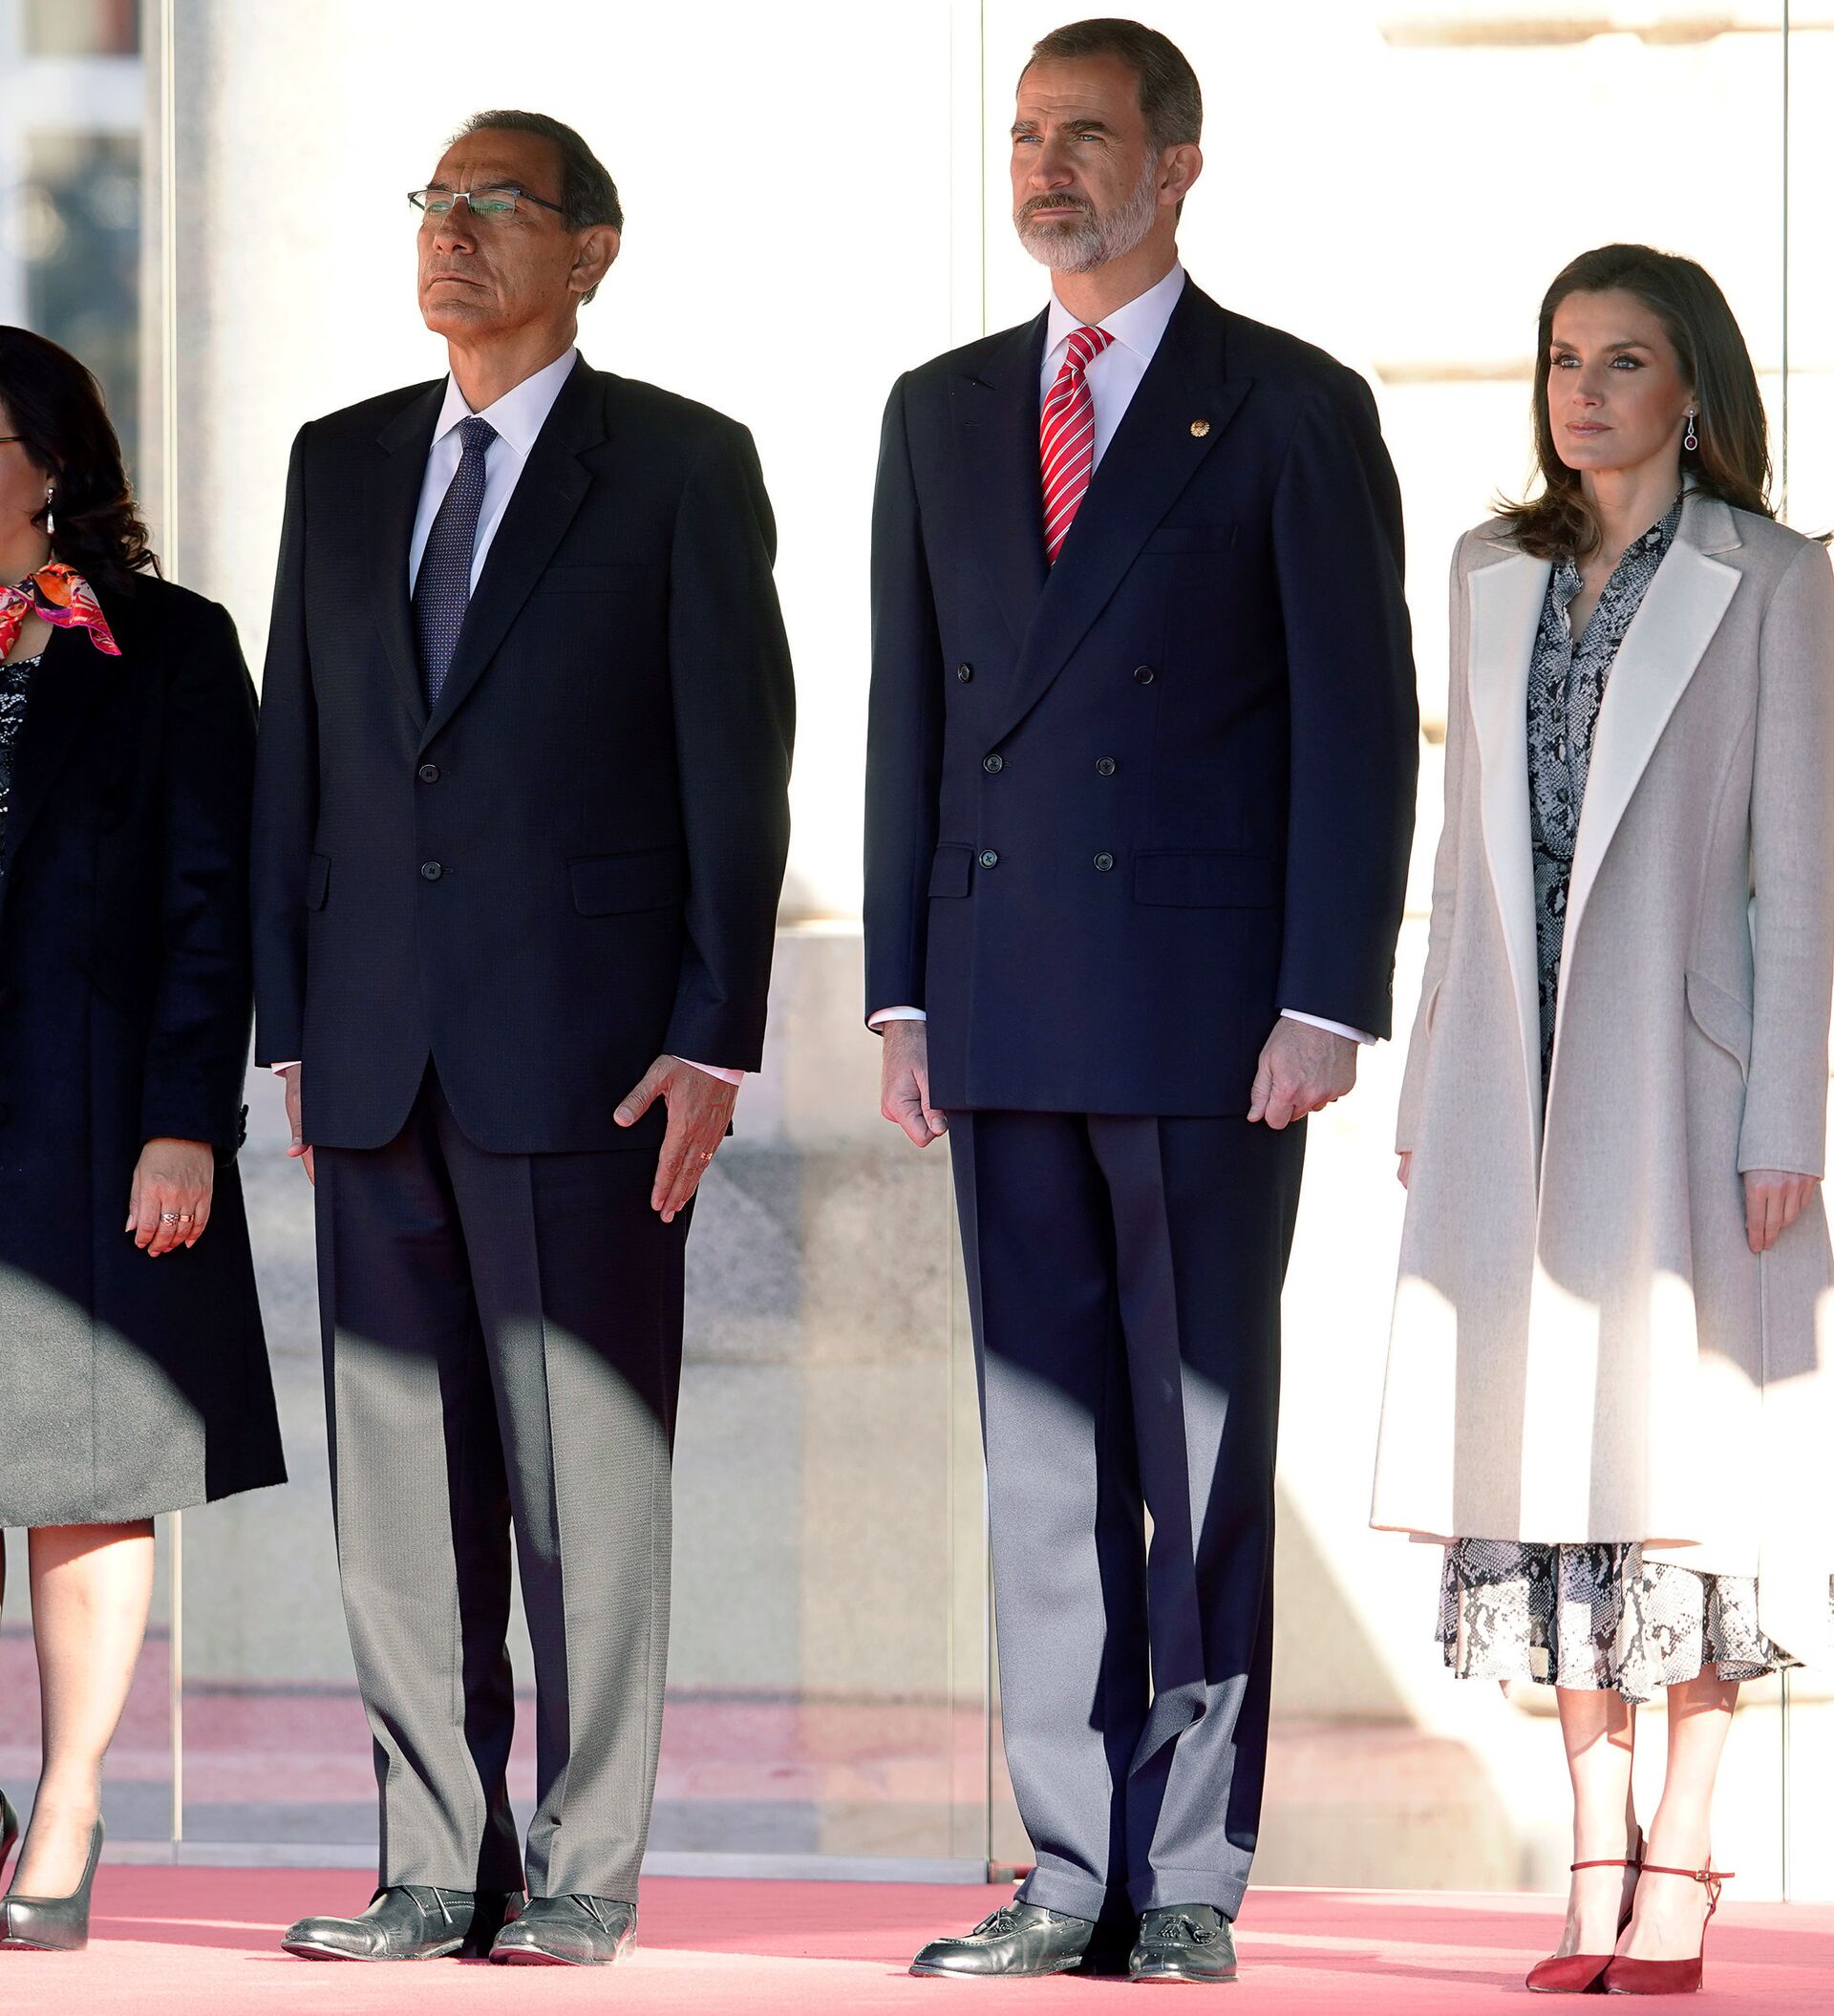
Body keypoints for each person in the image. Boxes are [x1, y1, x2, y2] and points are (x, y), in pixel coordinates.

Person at [865, 19, 1417, 1985]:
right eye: (1026, 133)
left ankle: (1186, 1875)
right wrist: (903, 995)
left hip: (1208, 1022)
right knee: (1039, 1463)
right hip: (1002, 1001)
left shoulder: (1289, 405)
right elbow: (912, 716)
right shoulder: (938, 409)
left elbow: (1357, 723)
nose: (1045, 166)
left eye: (1085, 134)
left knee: (1195, 1455)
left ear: (1178, 163)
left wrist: (1325, 995)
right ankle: (1065, 1868)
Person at [252, 112, 794, 1967]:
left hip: (591, 1055)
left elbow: (738, 764)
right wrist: (293, 1023)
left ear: (592, 251)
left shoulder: (681, 467)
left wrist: (714, 1034)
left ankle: (580, 1872)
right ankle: (431, 1862)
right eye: (435, 202)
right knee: (399, 1491)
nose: (454, 232)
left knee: (588, 1491)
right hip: (371, 1048)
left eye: (497, 206)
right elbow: (299, 755)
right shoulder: (337, 463)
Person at [1374, 244, 1834, 1997]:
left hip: (1688, 1084)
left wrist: (1785, 1110)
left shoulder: (1774, 579)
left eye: (1622, 359)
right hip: (1513, 1080)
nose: (1582, 389)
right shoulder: (1489, 569)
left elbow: (1800, 875)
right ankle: (1592, 1852)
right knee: (1538, 1457)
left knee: (1682, 1465)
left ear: (1693, 387)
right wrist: (1430, 1084)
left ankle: (1688, 1848)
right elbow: (1458, 863)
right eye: (1564, 357)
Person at [0, 328, 284, 1954]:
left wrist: (186, 1123)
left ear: (51, 464)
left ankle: (69, 1802)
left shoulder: (167, 645)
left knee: (82, 1464)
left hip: (90, 1114)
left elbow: (210, 902)